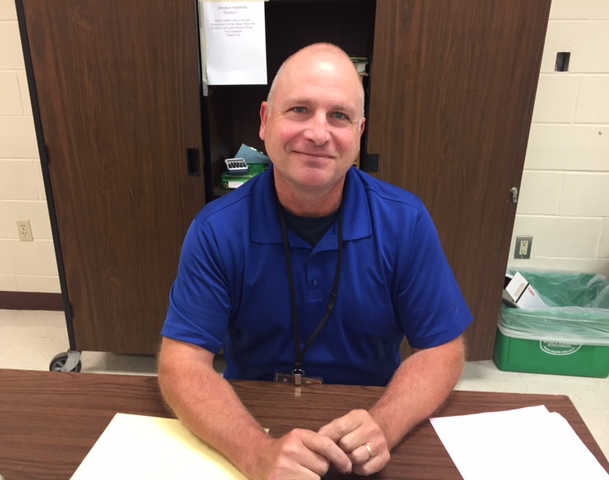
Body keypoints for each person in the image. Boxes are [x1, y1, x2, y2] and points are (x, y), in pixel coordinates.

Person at [158, 42, 473, 479]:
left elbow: (441, 348)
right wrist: (255, 452)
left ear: (359, 133)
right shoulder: (216, 229)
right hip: (249, 416)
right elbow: (182, 363)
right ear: (265, 121)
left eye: (339, 116)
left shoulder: (406, 222)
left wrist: (385, 423)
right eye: (300, 110)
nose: (318, 133)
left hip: (370, 422)